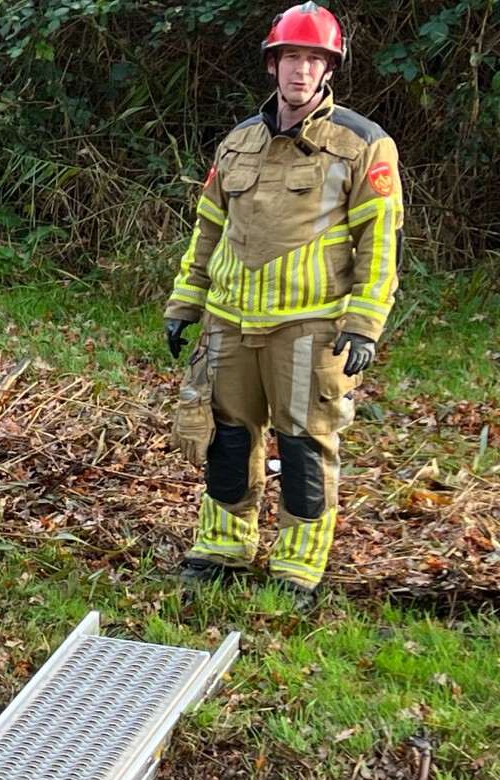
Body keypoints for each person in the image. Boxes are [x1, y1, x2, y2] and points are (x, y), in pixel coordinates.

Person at [164, 3, 401, 609]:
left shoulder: (363, 144)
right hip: (230, 320)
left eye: (314, 59)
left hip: (310, 324)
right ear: (273, 65)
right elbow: (209, 226)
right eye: (291, 56)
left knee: (303, 445)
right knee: (227, 440)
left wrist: (364, 322)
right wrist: (185, 302)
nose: (301, 70)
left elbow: (380, 240)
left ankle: (297, 564)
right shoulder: (238, 141)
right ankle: (222, 547)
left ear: (329, 69)